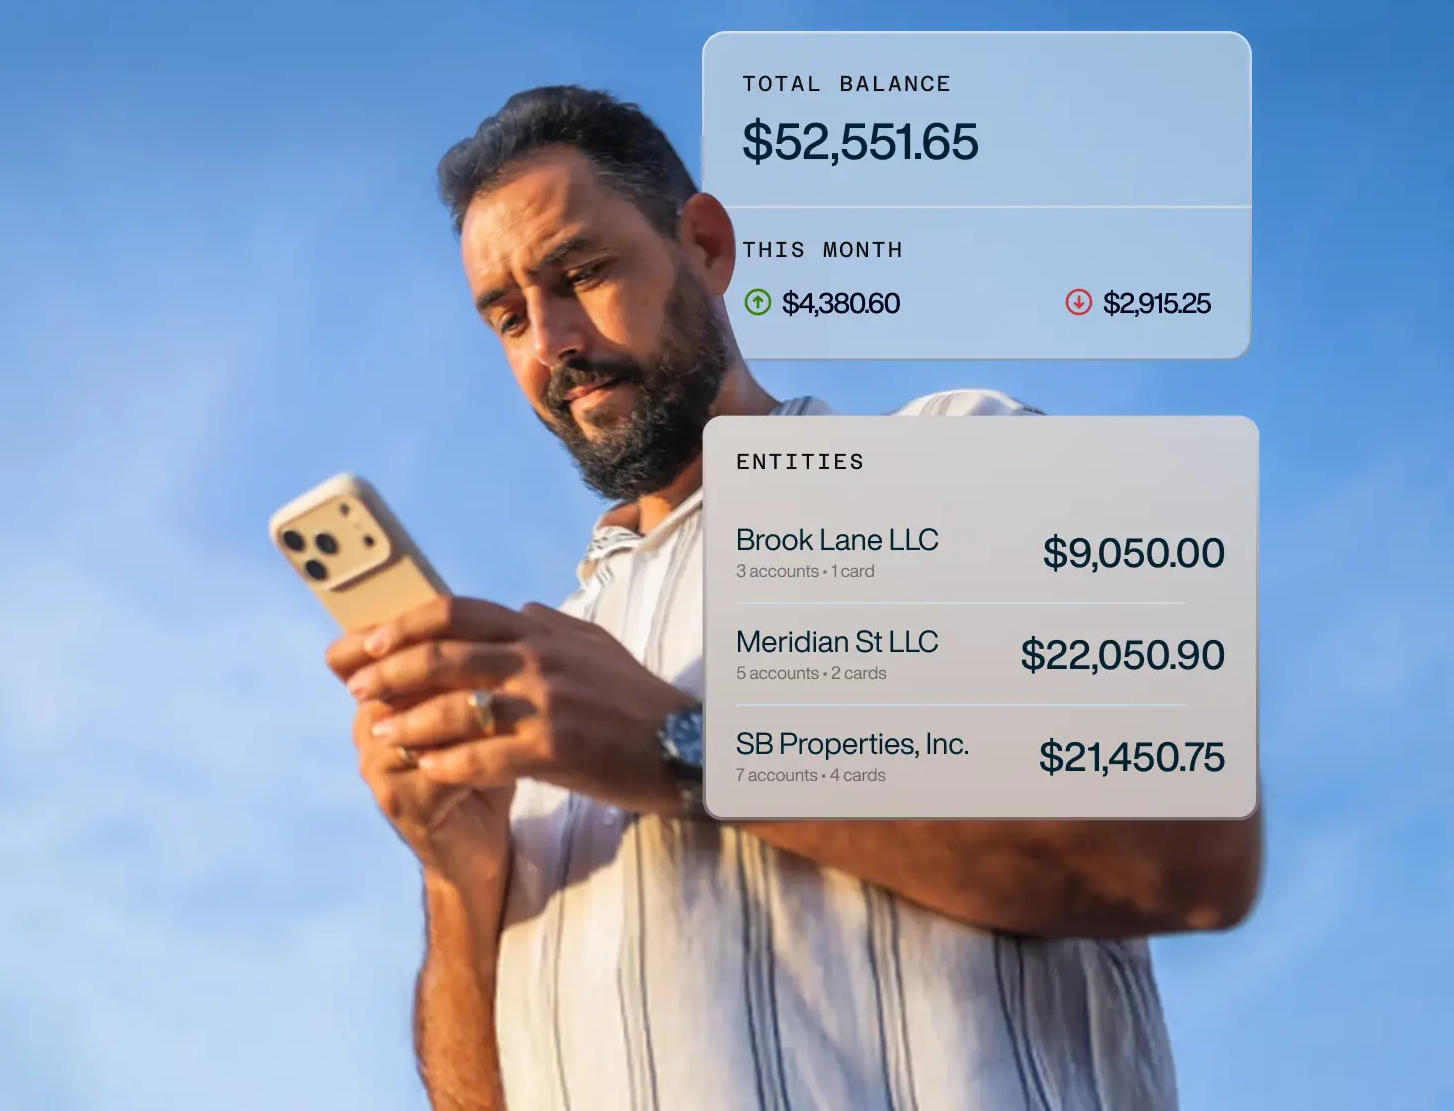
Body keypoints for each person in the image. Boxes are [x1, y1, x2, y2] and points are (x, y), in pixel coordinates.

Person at [326, 87, 1261, 1111]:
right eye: (507, 316)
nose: (551, 342)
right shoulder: (542, 681)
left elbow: (1192, 846)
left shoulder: (956, 451)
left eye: (581, 273)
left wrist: (682, 747)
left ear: (706, 246)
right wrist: (459, 879)